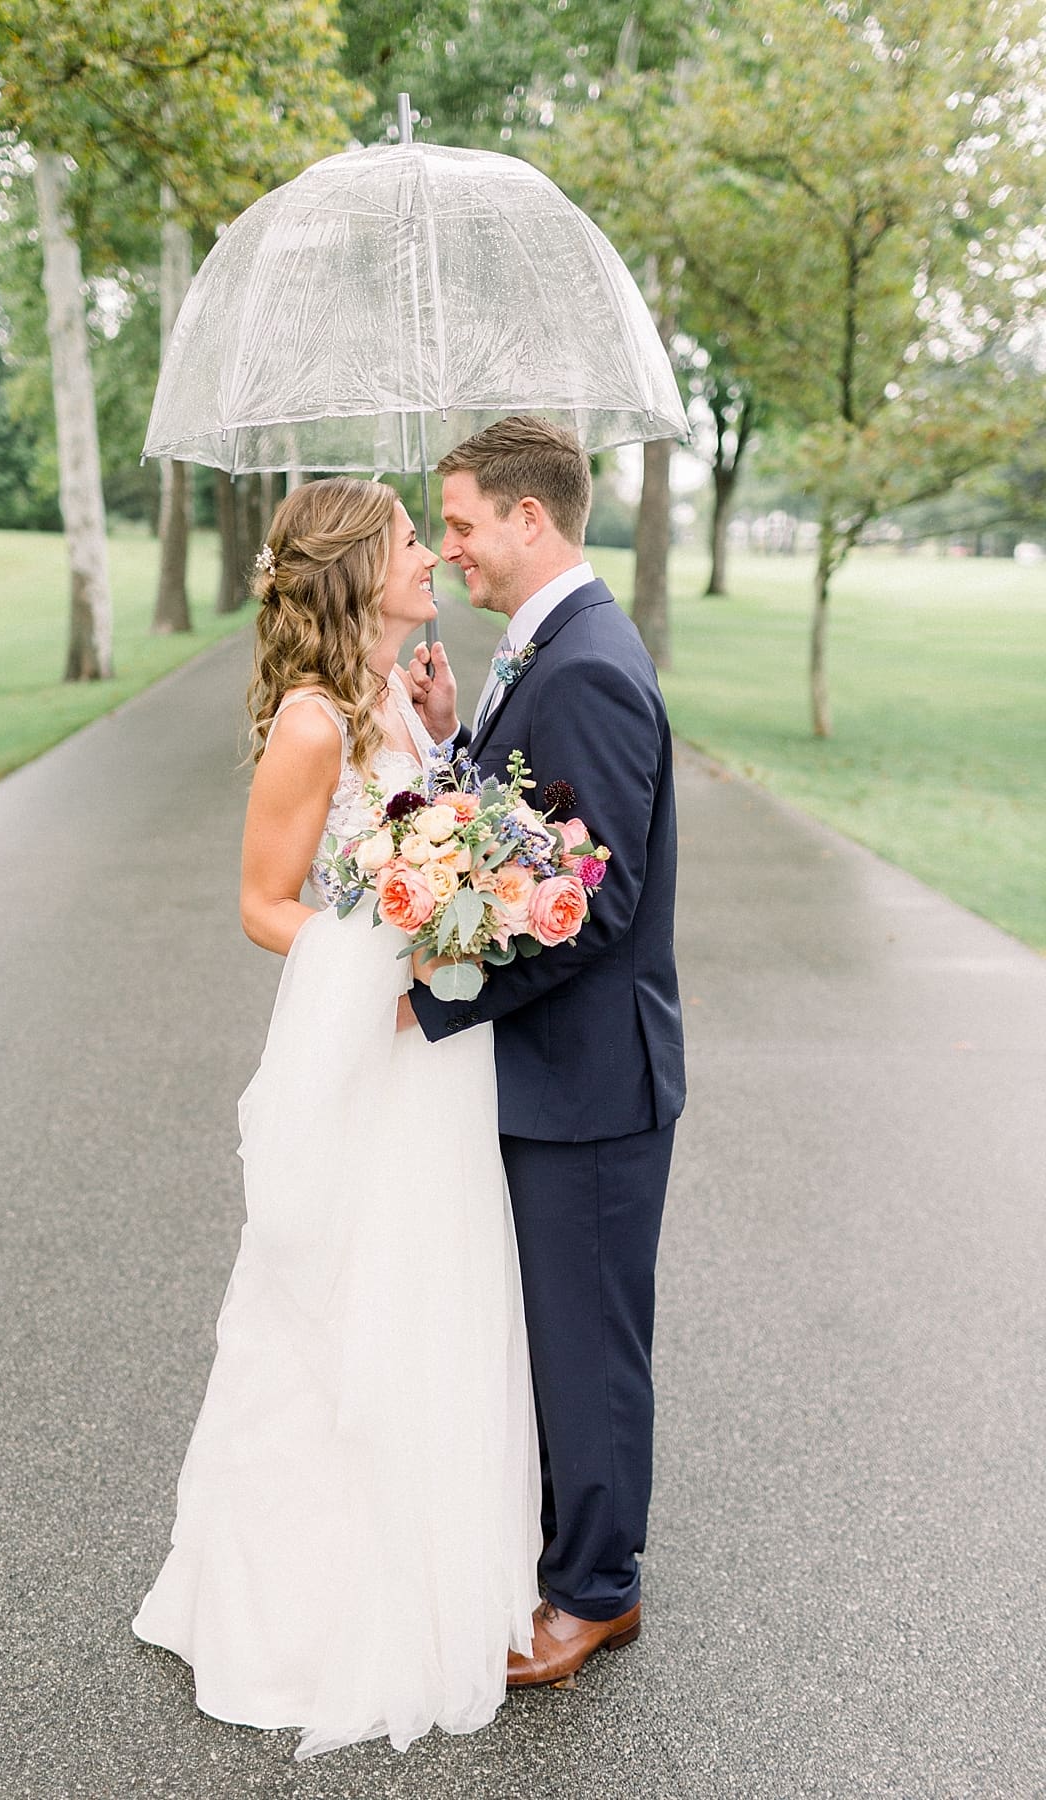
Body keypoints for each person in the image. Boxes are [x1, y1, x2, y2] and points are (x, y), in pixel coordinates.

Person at [132, 477, 539, 1759]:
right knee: (337, 1311)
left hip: (432, 1057)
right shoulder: (311, 723)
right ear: (363, 570)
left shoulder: (400, 695)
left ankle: (441, 1565)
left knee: (434, 1294)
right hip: (368, 1047)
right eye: (418, 539)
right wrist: (389, 958)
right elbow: (263, 903)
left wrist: (442, 734)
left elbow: (436, 834)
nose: (436, 552)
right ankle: (307, 1615)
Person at [405, 415, 685, 1689]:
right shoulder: (544, 650)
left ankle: (596, 1592)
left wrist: (444, 998)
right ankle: (568, 1552)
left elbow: (592, 905)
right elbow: (530, 823)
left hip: (592, 1083)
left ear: (531, 518)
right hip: (553, 1078)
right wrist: (460, 729)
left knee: (587, 1343)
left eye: (461, 522)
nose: (452, 545)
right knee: (551, 1332)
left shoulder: (590, 667)